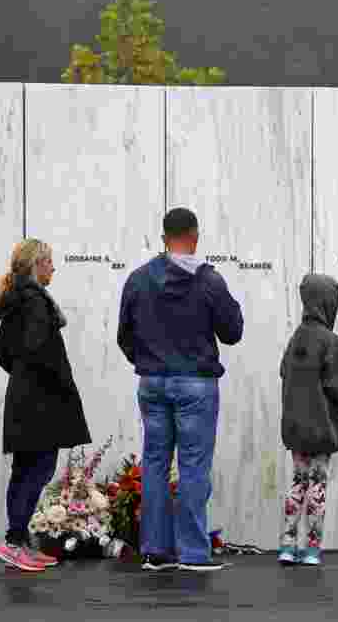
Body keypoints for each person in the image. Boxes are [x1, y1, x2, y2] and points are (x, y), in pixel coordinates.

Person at [118, 207, 244, 572]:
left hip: (152, 383)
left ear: (162, 238)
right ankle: (192, 553)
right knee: (193, 466)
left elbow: (124, 336)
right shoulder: (208, 281)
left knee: (155, 463)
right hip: (195, 385)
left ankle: (156, 552)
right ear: (195, 236)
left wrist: (150, 363)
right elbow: (233, 332)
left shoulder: (138, 279)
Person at [0, 238, 93, 572]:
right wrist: (57, 381)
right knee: (37, 470)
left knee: (25, 471)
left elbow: (4, 352)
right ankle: (14, 542)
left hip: (25, 396)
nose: (54, 267)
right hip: (40, 400)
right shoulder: (35, 301)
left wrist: (22, 374)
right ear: (37, 264)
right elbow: (39, 351)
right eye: (49, 262)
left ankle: (16, 542)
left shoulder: (17, 299)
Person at [277, 274, 338, 567]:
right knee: (317, 485)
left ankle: (287, 545)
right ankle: (311, 549)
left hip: (295, 427)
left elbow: (285, 372)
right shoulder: (331, 342)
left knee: (297, 483)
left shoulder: (295, 338)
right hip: (321, 428)